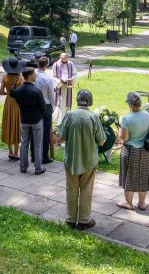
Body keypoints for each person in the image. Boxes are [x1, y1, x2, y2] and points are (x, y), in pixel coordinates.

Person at [57, 89, 106, 230]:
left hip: (72, 158)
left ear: (77, 100)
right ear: (90, 101)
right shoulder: (94, 117)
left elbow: (61, 137)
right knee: (86, 190)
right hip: (89, 160)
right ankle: (84, 220)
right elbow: (101, 141)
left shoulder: (70, 115)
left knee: (71, 189)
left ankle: (71, 219)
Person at [117, 92, 149, 210]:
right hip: (145, 150)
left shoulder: (126, 118)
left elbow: (124, 138)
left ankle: (128, 203)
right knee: (143, 176)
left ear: (129, 104)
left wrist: (120, 129)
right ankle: (142, 203)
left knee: (129, 176)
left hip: (130, 150)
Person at [13, 67, 46, 175]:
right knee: (37, 144)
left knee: (24, 143)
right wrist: (40, 115)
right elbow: (43, 108)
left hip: (24, 119)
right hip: (36, 120)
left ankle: (23, 167)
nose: (36, 76)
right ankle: (38, 168)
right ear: (30, 76)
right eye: (34, 74)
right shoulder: (36, 91)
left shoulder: (18, 90)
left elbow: (18, 103)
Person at [0, 57, 25, 160]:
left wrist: (8, 93)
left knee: (8, 125)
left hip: (8, 103)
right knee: (16, 125)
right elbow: (22, 93)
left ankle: (10, 151)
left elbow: (1, 92)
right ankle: (16, 152)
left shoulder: (4, 77)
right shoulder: (21, 78)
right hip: (17, 104)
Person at [33, 57, 55, 164]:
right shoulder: (48, 79)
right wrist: (54, 106)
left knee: (34, 130)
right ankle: (44, 156)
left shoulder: (32, 77)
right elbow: (51, 95)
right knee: (46, 131)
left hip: (34, 106)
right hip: (46, 105)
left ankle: (33, 155)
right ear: (46, 66)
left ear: (38, 65)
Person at [52, 53, 77, 124]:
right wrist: (59, 81)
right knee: (60, 101)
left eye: (65, 59)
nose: (64, 60)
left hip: (68, 86)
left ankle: (67, 117)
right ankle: (59, 118)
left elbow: (75, 74)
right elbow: (53, 76)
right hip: (60, 85)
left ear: (67, 58)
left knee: (67, 101)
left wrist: (71, 79)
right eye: (63, 59)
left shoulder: (71, 64)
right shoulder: (56, 65)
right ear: (60, 58)